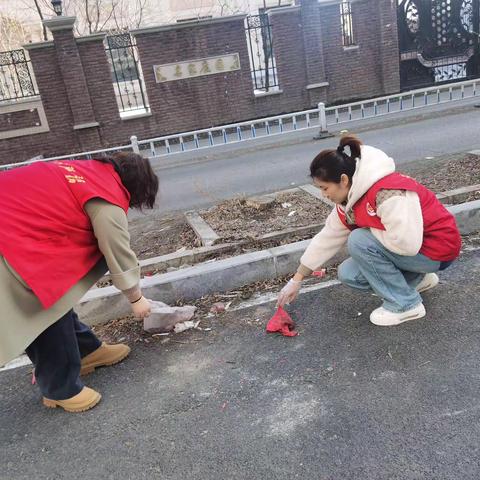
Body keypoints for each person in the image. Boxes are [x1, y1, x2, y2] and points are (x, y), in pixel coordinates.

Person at [0, 152, 159, 412]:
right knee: (43, 307)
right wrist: (136, 297)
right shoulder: (107, 195)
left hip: (13, 228)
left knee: (55, 292)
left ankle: (87, 351)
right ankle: (60, 389)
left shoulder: (89, 172)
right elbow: (116, 247)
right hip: (8, 238)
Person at [277, 135, 461, 326]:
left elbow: (406, 244)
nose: (324, 195)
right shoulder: (349, 200)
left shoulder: (386, 193)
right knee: (349, 273)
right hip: (417, 252)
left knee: (359, 240)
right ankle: (418, 281)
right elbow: (327, 238)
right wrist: (297, 280)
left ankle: (406, 305)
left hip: (438, 252)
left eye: (325, 188)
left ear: (343, 180)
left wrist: (368, 233)